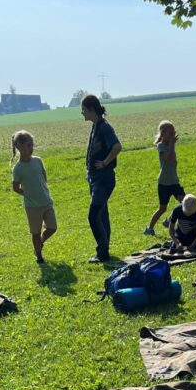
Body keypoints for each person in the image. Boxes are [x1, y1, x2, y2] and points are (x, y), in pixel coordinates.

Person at [81, 94, 122, 263]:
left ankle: (102, 252)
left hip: (103, 179)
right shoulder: (95, 126)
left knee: (93, 215)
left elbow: (117, 147)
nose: (82, 113)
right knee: (102, 214)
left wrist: (105, 162)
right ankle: (104, 251)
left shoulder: (104, 127)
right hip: (95, 179)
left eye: (84, 110)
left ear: (92, 109)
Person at [11, 130, 57, 265]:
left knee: (52, 227)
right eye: (28, 145)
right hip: (32, 207)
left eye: (32, 145)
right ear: (19, 146)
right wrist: (27, 194)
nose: (31, 148)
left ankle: (40, 242)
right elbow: (15, 188)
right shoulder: (18, 168)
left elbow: (44, 177)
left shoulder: (38, 160)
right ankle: (38, 254)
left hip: (46, 202)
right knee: (35, 233)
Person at [144, 120, 185, 236]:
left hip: (174, 181)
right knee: (162, 208)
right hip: (164, 183)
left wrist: (172, 144)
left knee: (185, 203)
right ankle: (149, 228)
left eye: (173, 132)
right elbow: (168, 159)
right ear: (163, 133)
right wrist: (172, 144)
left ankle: (168, 220)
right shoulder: (161, 146)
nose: (172, 135)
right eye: (170, 132)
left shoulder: (170, 145)